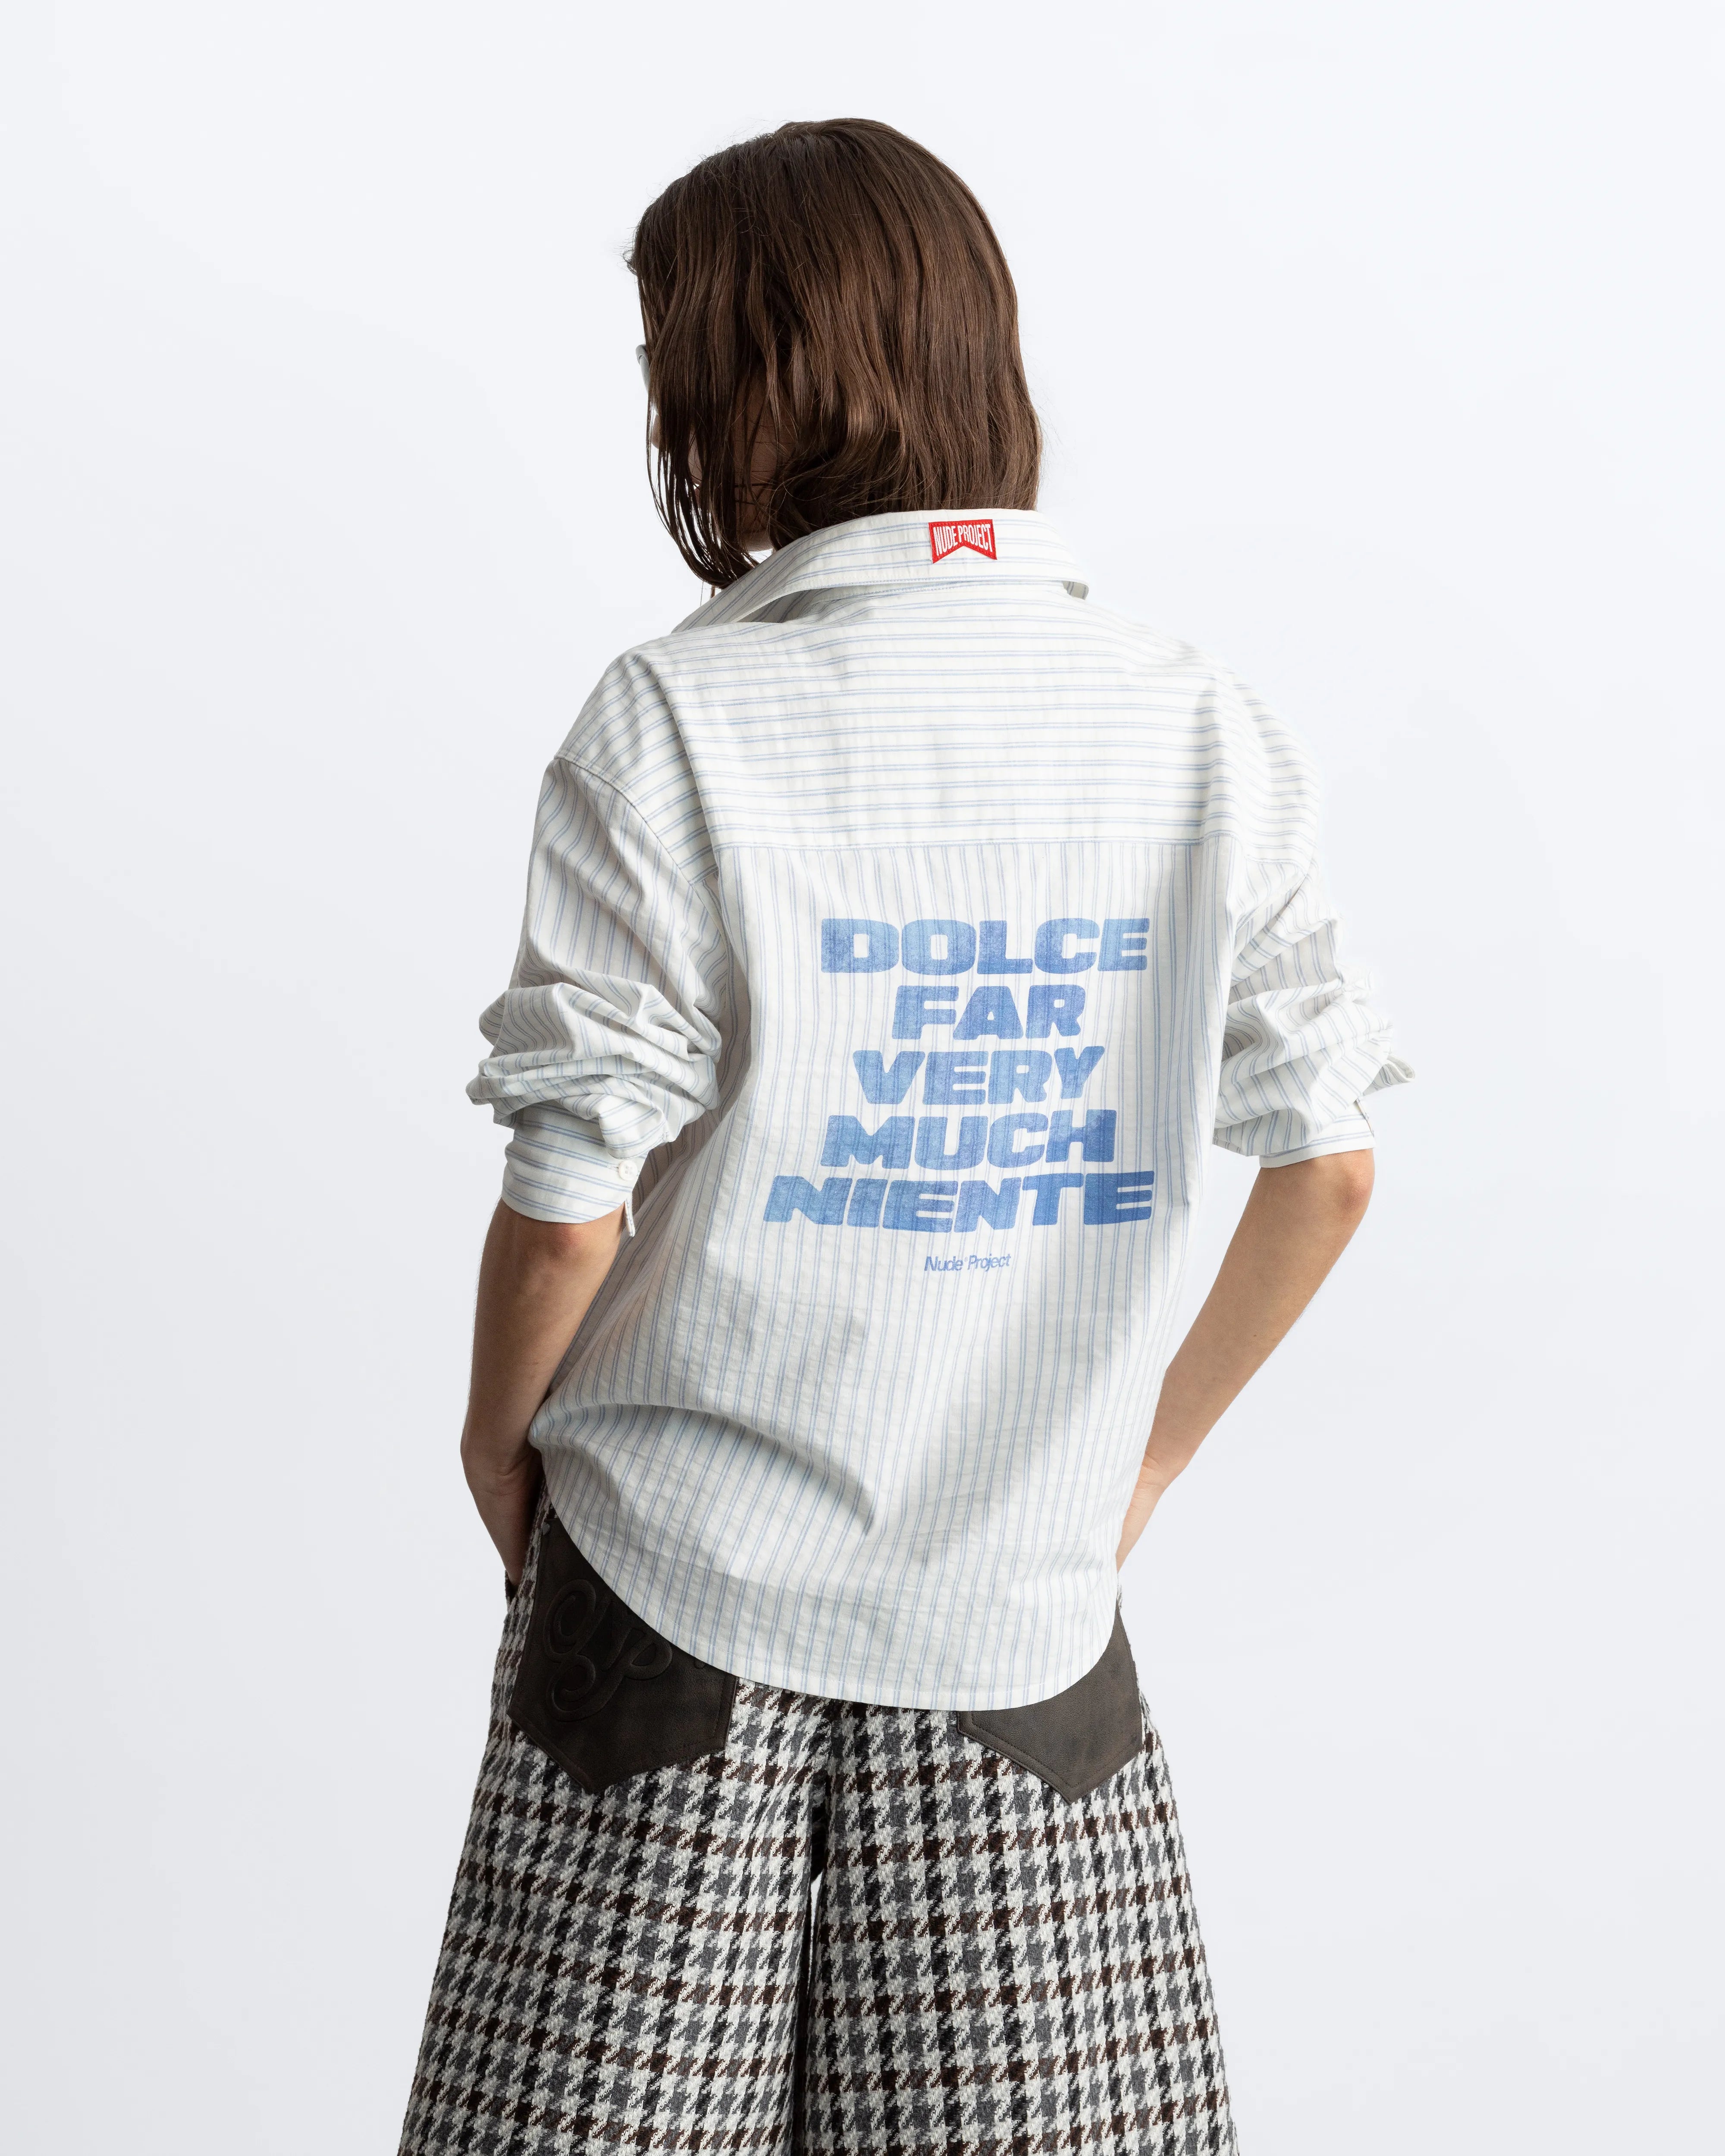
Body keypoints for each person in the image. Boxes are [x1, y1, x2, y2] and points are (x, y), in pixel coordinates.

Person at [398, 118, 1410, 2156]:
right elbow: (1329, 1162)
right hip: (1022, 1605)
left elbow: (569, 1206)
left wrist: (498, 1445)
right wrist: (1141, 1458)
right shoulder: (1195, 721)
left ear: (738, 388)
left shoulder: (673, 718)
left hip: (663, 1589)